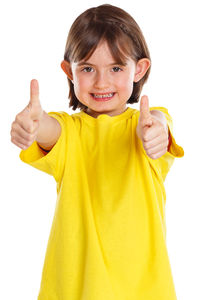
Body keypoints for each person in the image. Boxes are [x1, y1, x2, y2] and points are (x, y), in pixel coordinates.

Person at [10, 4, 184, 300]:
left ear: (139, 69)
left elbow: (159, 121)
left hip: (142, 291)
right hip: (75, 290)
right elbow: (50, 131)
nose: (102, 82)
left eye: (116, 68)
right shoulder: (70, 131)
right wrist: (34, 125)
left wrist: (157, 128)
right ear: (69, 71)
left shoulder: (144, 125)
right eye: (88, 68)